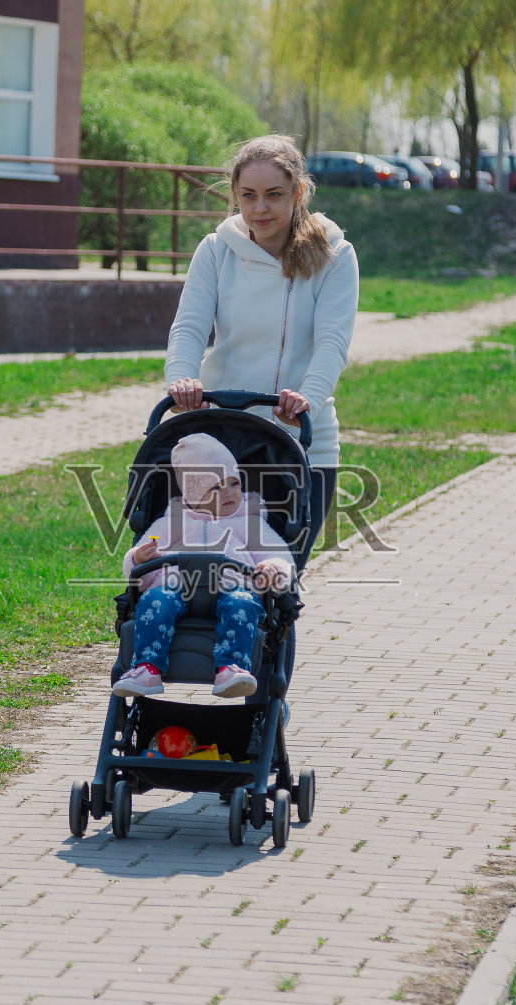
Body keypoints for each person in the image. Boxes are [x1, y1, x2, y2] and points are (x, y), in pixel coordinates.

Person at [164, 134, 359, 570]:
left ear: (299, 193)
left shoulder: (335, 256)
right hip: (221, 440)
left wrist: (307, 396)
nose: (260, 209)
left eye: (274, 195)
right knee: (205, 573)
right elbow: (189, 327)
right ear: (234, 195)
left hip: (302, 442)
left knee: (277, 577)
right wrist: (181, 378)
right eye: (248, 196)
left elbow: (332, 342)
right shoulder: (215, 251)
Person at [113, 433, 295, 700]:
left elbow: (281, 558)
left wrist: (272, 569)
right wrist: (138, 559)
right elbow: (138, 565)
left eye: (234, 483)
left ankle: (231, 667)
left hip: (233, 587)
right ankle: (147, 667)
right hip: (175, 587)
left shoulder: (250, 523)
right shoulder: (173, 521)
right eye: (216, 488)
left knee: (242, 604)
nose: (230, 492)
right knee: (155, 600)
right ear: (194, 494)